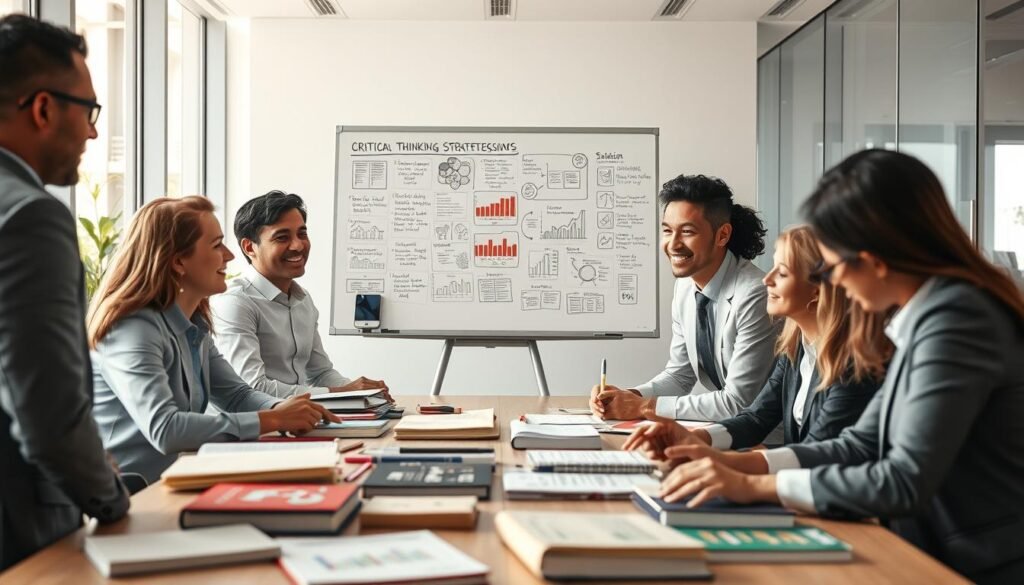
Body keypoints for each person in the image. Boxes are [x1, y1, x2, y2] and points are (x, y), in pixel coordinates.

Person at [653, 150, 1024, 585]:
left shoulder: (957, 320)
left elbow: (902, 480)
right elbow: (858, 444)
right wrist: (734, 467)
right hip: (928, 551)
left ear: (875, 257)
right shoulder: (925, 317)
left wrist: (753, 486)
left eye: (833, 265)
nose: (835, 282)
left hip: (974, 566)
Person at [88, 196, 340, 483]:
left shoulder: (192, 323)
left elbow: (237, 395)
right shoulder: (132, 329)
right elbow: (165, 430)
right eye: (216, 244)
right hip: (135, 492)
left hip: (181, 477)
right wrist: (272, 419)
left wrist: (282, 409)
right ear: (178, 261)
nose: (230, 255)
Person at [0, 14, 130, 569]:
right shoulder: (31, 216)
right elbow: (47, 410)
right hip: (18, 528)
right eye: (90, 111)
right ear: (44, 108)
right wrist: (110, 500)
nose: (94, 133)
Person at [624, 225, 890, 465]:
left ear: (817, 291)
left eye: (782, 273)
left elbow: (816, 451)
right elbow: (756, 418)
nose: (767, 279)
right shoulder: (796, 347)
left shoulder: (853, 361)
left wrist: (721, 463)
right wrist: (696, 438)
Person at [591, 174, 778, 427]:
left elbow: (738, 402)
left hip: (765, 440)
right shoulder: (685, 287)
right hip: (721, 431)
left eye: (687, 231)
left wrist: (643, 407)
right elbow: (680, 376)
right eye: (667, 231)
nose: (673, 244)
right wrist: (628, 396)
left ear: (722, 235)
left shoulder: (755, 294)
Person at [210, 190, 390, 399]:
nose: (297, 246)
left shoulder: (303, 299)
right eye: (282, 237)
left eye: (302, 234)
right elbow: (253, 388)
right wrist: (341, 392)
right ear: (250, 247)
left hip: (294, 421)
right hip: (254, 426)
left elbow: (320, 373)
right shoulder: (235, 303)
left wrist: (363, 391)